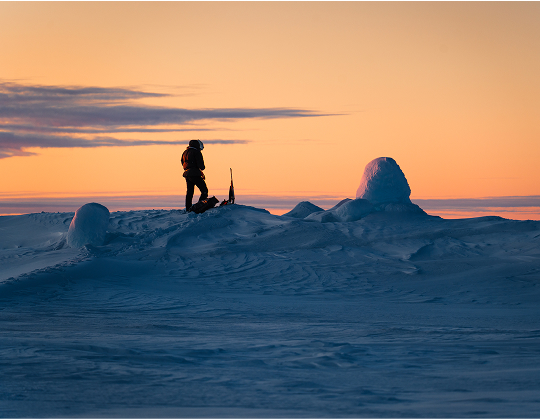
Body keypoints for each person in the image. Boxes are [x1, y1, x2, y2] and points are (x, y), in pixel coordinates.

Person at [181, 139, 208, 211]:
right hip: (195, 173)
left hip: (187, 174)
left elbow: (182, 163)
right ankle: (201, 206)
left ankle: (188, 208)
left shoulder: (185, 152)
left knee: (190, 192)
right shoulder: (196, 152)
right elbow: (201, 165)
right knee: (204, 191)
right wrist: (202, 168)